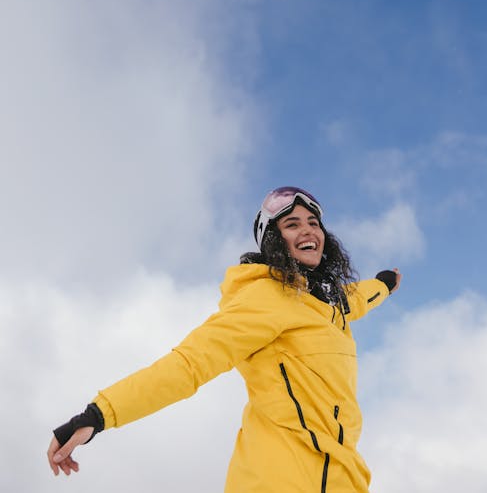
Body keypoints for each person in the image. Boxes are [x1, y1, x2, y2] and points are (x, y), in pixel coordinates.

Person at [47, 186, 401, 492]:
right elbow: (190, 363)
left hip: (345, 476)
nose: (308, 230)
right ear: (274, 241)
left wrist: (384, 284)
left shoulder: (329, 302)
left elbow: (358, 298)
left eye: (313, 223)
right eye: (292, 224)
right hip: (281, 479)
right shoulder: (266, 298)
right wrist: (98, 414)